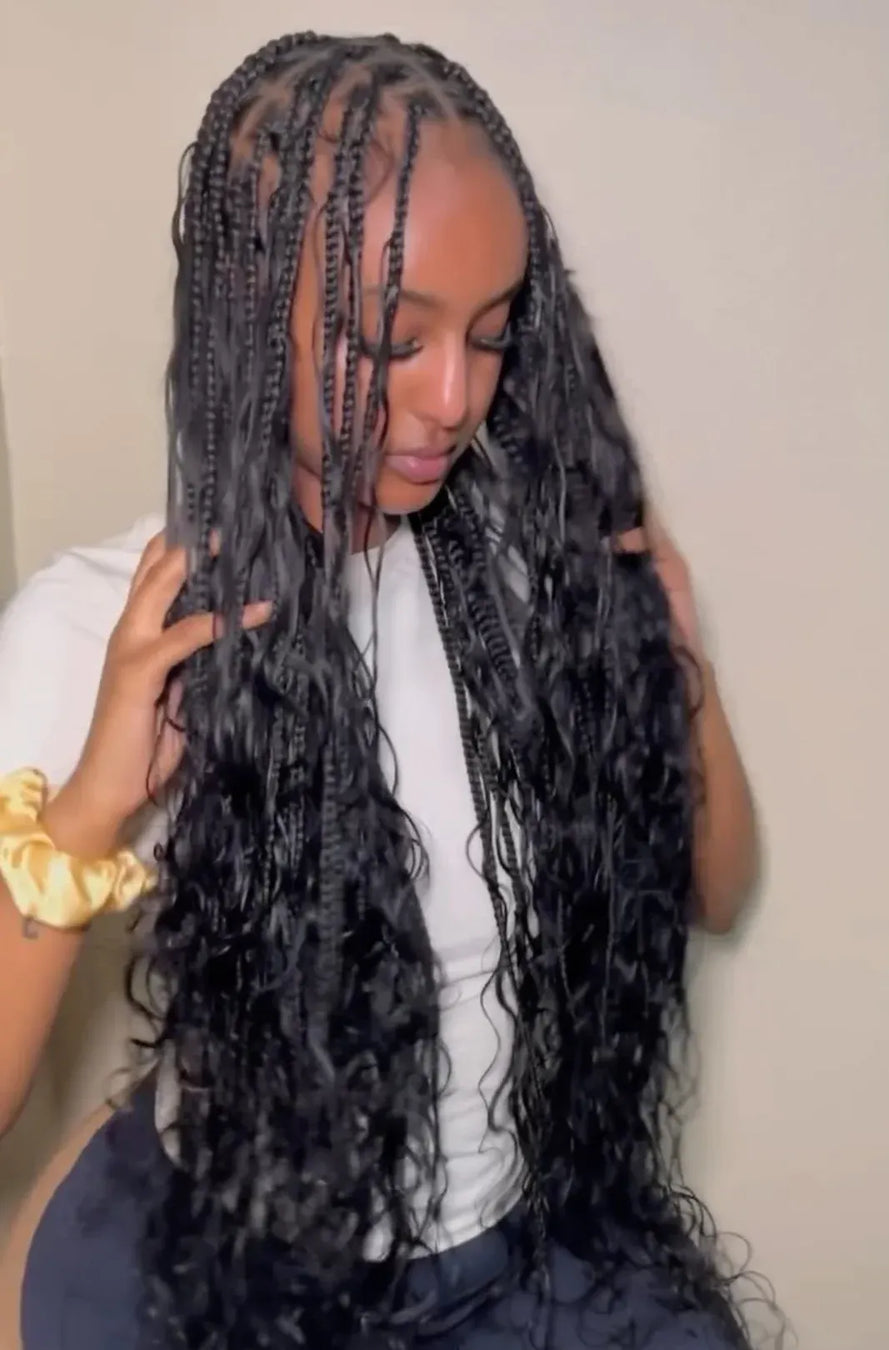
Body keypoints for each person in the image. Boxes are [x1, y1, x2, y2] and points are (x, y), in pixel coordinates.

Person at [0, 31, 766, 1350]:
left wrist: (678, 682)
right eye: (390, 341)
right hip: (225, 1268)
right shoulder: (98, 628)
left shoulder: (535, 587)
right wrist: (88, 814)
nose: (454, 399)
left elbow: (717, 888)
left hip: (516, 1264)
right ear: (252, 305)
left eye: (491, 333)